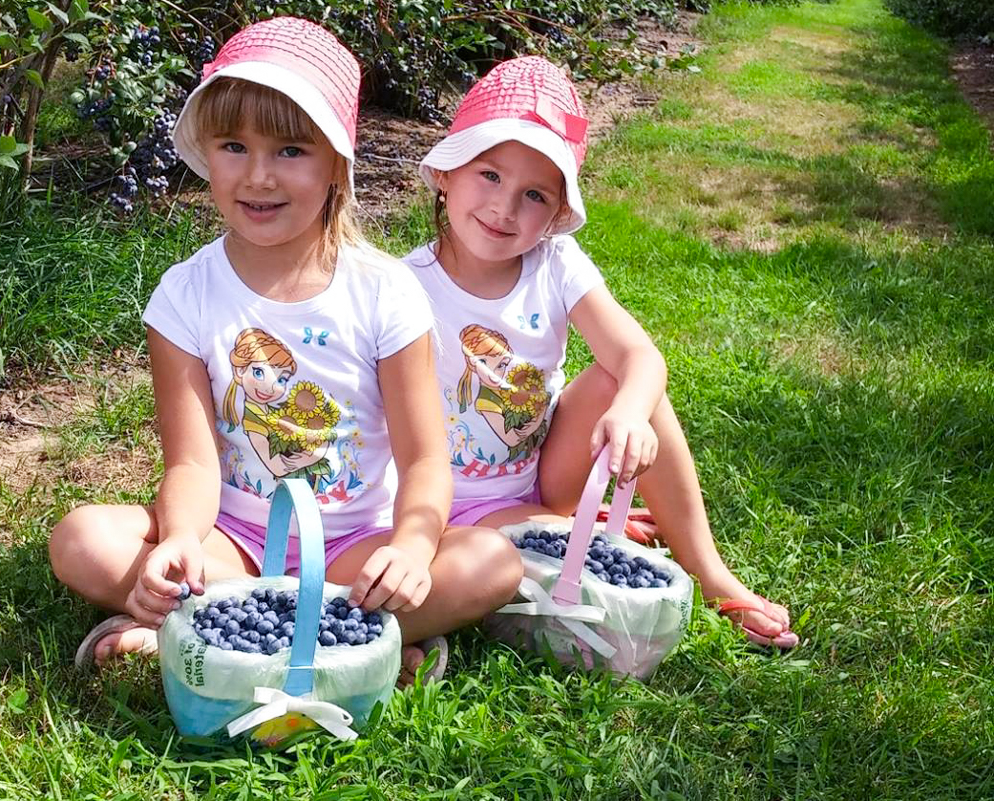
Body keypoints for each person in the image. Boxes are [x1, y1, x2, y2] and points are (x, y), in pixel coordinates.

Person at [49, 17, 523, 683]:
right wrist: (183, 540)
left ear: (336, 163)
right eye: (234, 145)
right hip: (234, 546)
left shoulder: (385, 292)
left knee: (493, 563)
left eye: (291, 151)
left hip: (360, 548)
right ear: (206, 152)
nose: (259, 176)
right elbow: (191, 462)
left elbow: (424, 461)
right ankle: (351, 643)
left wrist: (414, 546)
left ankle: (207, 633)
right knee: (81, 539)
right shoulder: (185, 295)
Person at [402, 56, 798, 649]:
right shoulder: (401, 285)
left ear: (558, 213)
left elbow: (641, 355)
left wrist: (631, 412)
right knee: (523, 562)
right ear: (446, 174)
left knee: (624, 383)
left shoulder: (555, 267)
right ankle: (559, 537)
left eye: (533, 194)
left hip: (540, 473)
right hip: (447, 506)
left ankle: (708, 569)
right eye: (488, 176)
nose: (504, 208)